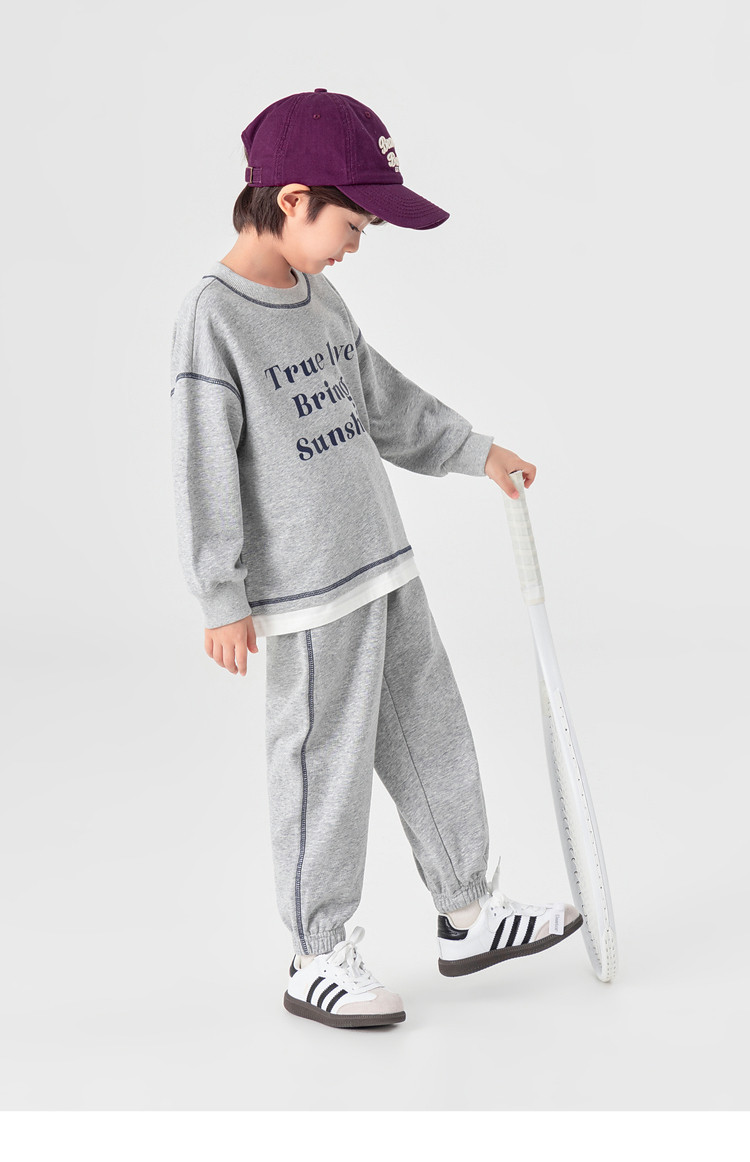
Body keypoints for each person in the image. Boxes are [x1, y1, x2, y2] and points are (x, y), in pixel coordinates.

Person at [170, 87, 582, 1031]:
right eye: (352, 224)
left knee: (433, 732)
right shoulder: (213, 319)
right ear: (292, 201)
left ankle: (468, 911)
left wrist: (475, 450)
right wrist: (220, 593)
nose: (359, 243)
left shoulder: (320, 297)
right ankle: (316, 954)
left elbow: (382, 402)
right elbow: (201, 461)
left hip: (382, 565)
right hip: (309, 596)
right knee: (322, 766)